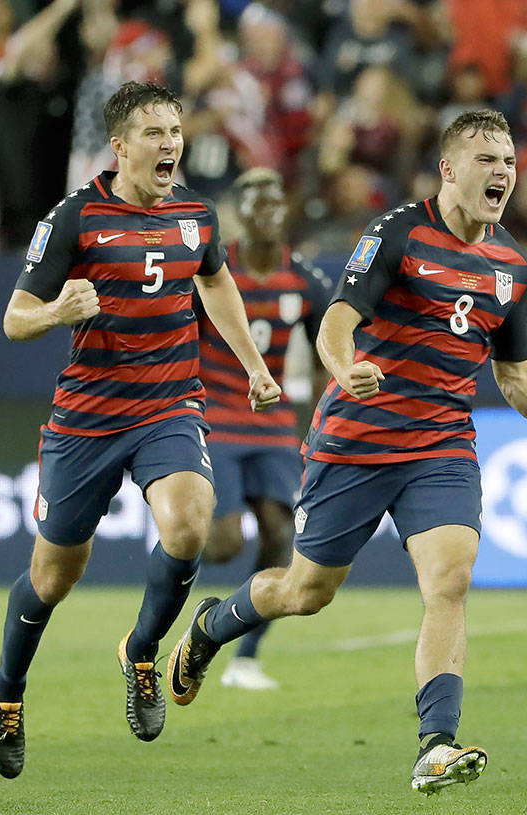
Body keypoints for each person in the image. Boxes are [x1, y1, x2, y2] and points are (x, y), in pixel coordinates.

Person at [168, 109, 527, 795]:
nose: (501, 171)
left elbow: (518, 375)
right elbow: (335, 322)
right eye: (485, 159)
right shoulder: (397, 233)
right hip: (356, 440)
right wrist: (344, 364)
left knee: (450, 580)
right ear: (448, 168)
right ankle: (209, 627)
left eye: (507, 159)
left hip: (441, 444)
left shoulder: (512, 266)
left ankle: (435, 744)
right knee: (304, 591)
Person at [0, 81, 282, 779]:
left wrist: (253, 364)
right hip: (87, 417)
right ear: (119, 145)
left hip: (168, 406)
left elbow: (214, 282)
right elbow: (13, 317)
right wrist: (58, 309)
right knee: (53, 577)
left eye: (174, 130)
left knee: (190, 525)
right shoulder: (75, 217)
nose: (170, 143)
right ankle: (7, 691)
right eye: (154, 132)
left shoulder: (197, 216)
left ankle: (142, 652)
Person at [196, 168, 331, 691]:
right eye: (257, 203)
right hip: (218, 418)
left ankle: (244, 656)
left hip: (273, 421)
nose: (269, 211)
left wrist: (321, 415)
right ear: (239, 212)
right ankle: (180, 531)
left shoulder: (302, 279)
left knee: (281, 535)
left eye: (276, 203)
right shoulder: (213, 268)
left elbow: (328, 350)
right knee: (223, 545)